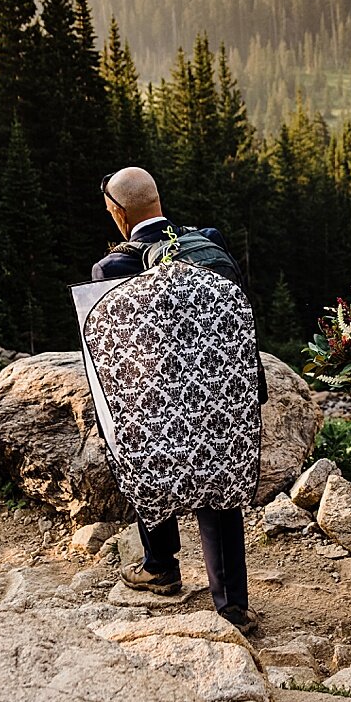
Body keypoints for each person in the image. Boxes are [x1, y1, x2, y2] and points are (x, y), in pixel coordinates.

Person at [94, 166, 257, 635]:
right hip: (226, 388)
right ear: (158, 201)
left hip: (159, 399)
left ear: (119, 214)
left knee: (146, 462)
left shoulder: (113, 268)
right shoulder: (207, 239)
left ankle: (160, 564)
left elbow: (115, 353)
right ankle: (232, 606)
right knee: (220, 485)